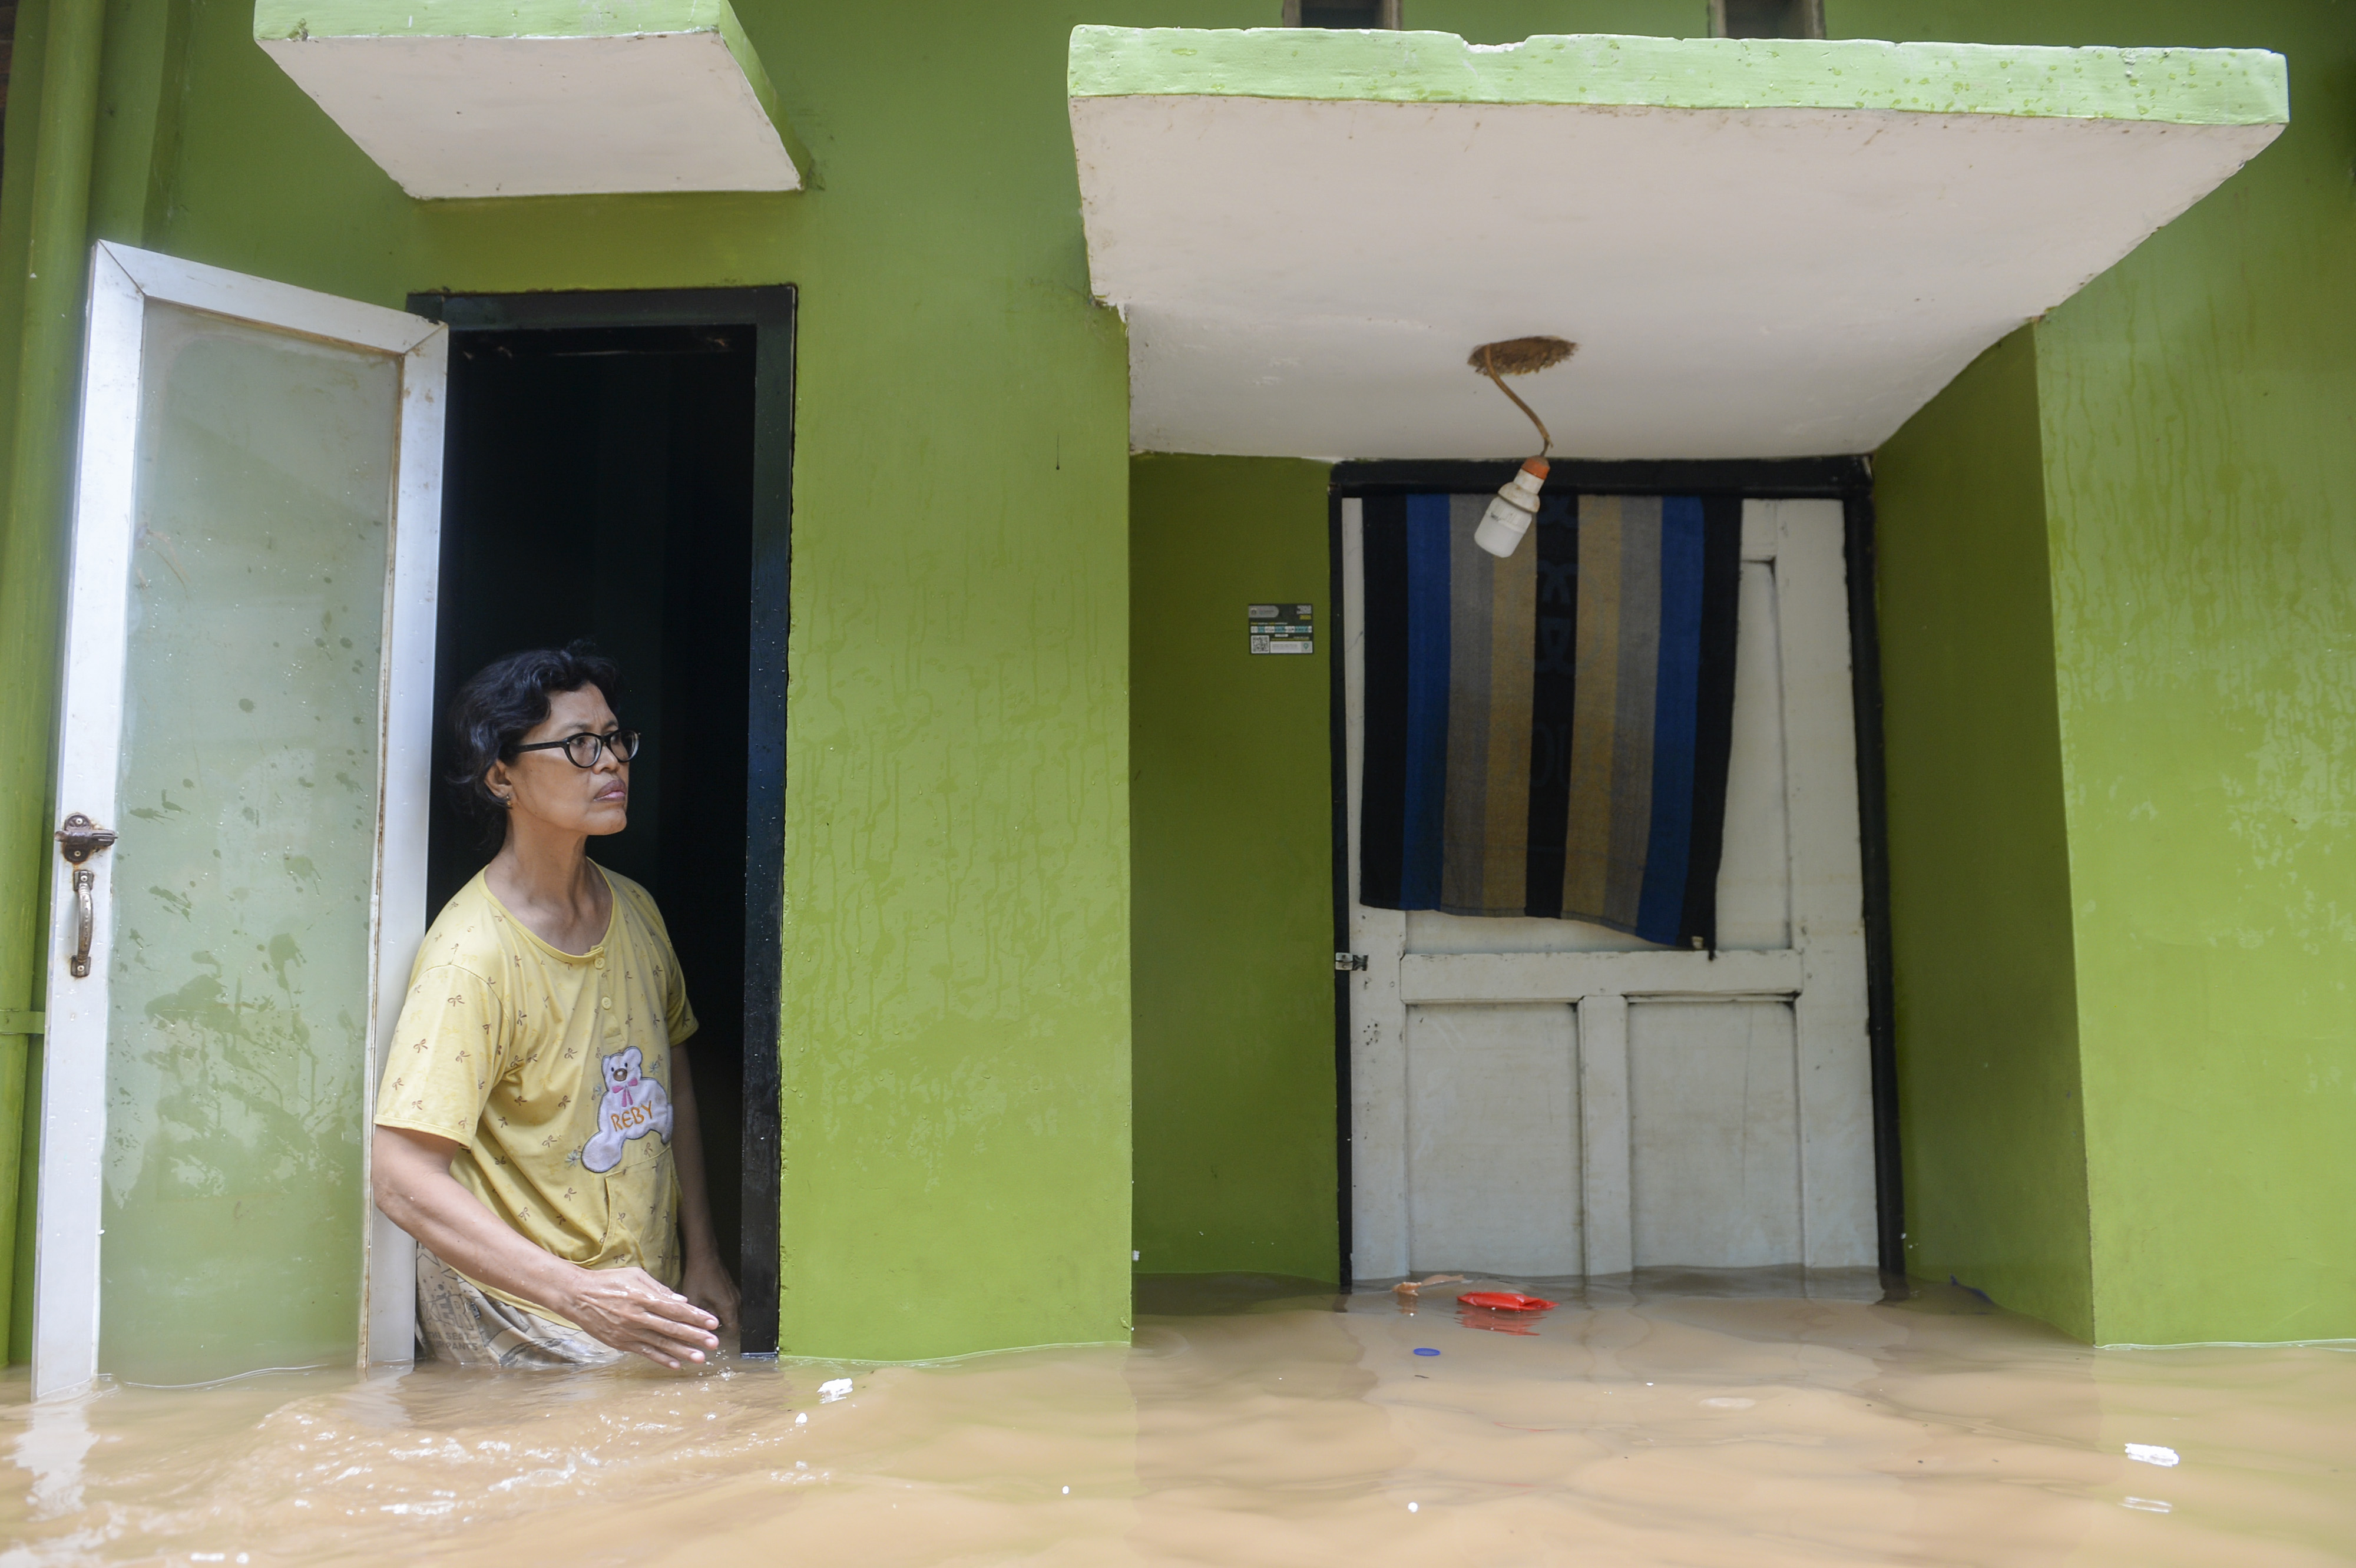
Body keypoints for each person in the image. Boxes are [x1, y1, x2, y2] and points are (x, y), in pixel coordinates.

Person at [372, 644, 740, 1368]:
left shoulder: (637, 910)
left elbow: (674, 1085)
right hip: (524, 1312)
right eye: (579, 745)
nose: (612, 762)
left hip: (636, 1296)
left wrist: (703, 1256)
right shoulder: (471, 957)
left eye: (616, 739)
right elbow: (401, 1177)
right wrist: (578, 1295)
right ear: (501, 776)